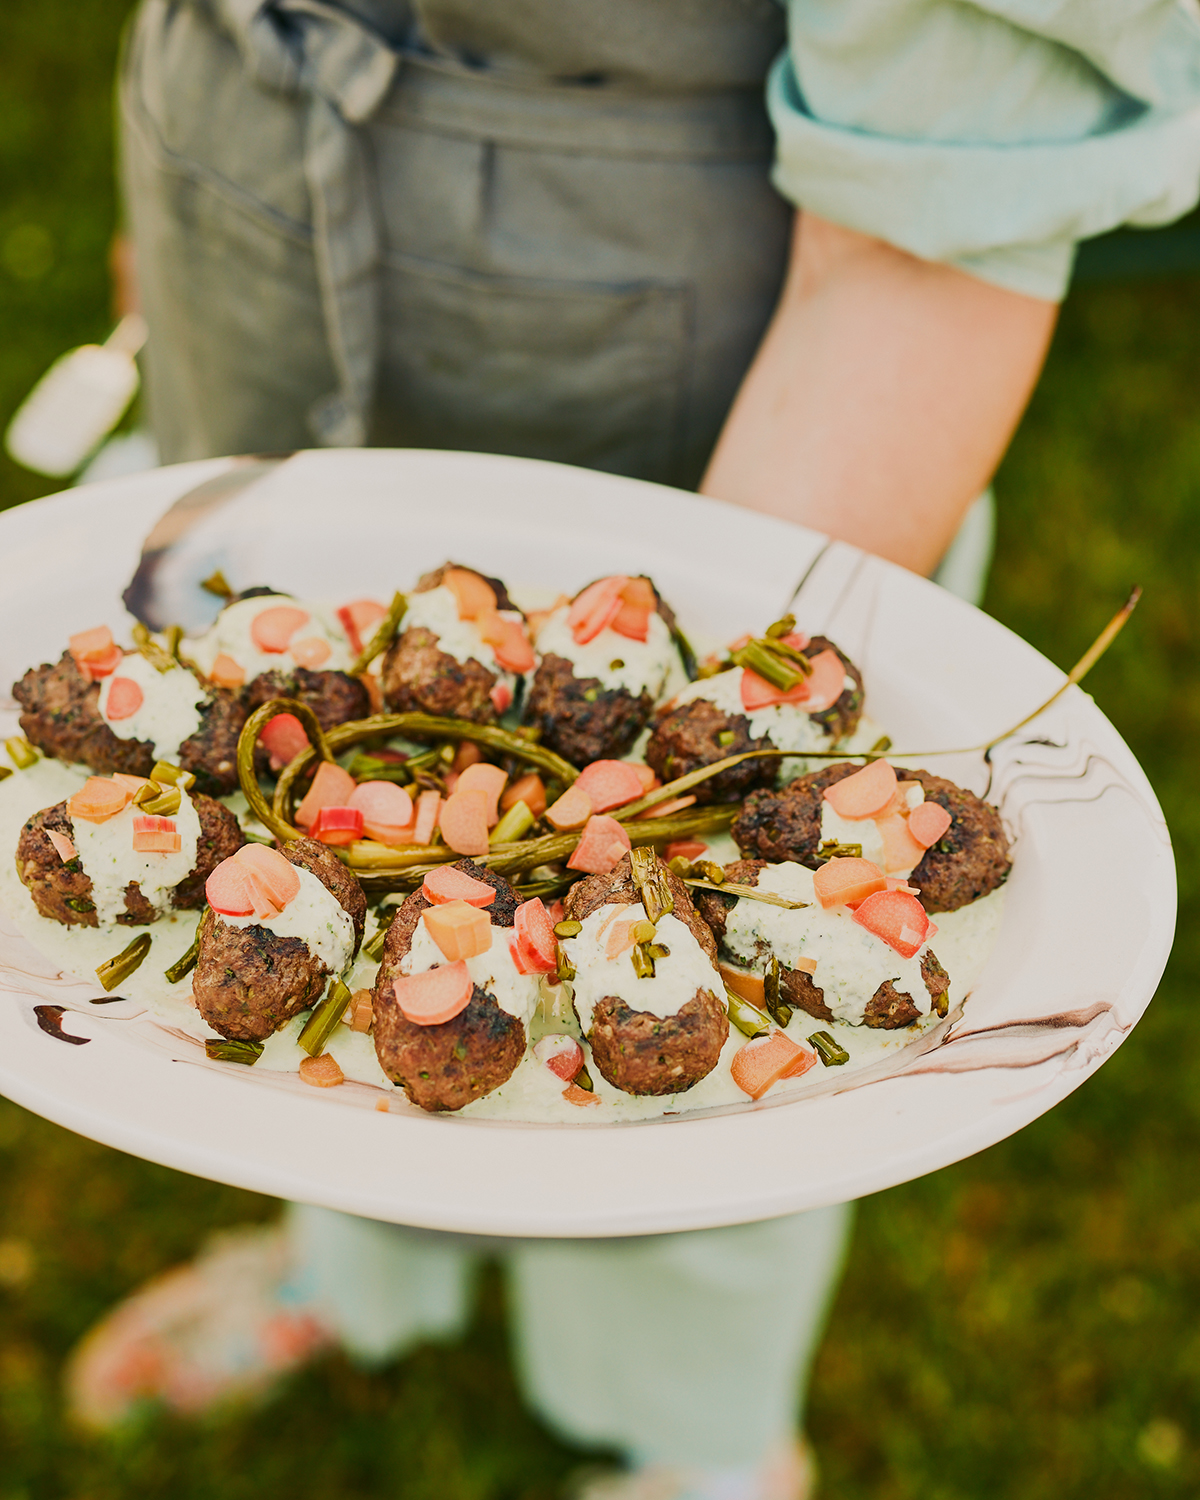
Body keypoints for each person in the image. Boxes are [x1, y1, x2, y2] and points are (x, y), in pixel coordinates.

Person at [67, 3, 1200, 1497]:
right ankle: (361, 1265)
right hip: (253, 220)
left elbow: (928, 227)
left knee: (696, 1095)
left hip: (720, 350)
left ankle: (698, 1438)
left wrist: (712, 781)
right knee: (324, 965)